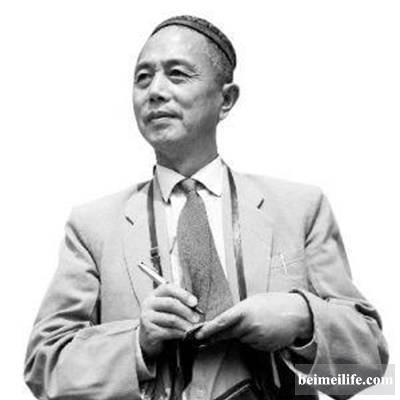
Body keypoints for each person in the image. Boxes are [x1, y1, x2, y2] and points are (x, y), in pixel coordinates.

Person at [24, 15, 388, 400]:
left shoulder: (301, 210)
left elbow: (365, 375)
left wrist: (302, 320)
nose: (155, 91)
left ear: (226, 100)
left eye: (177, 74)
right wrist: (137, 341)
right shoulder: (92, 227)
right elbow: (44, 372)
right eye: (142, 78)